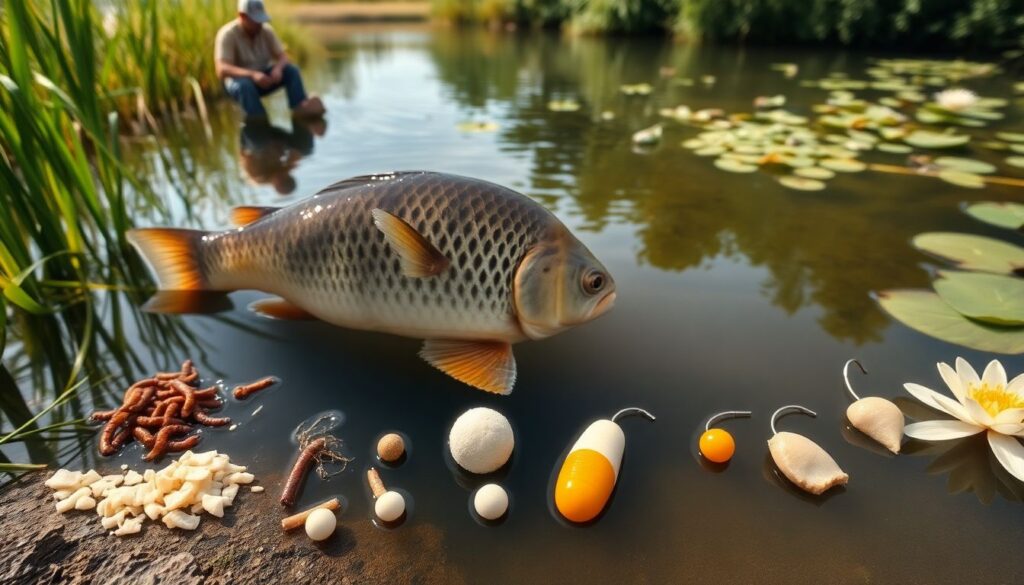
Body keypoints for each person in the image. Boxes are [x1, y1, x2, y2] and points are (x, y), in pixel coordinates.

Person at [215, 0, 325, 119]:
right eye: (255, 21)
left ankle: (300, 108)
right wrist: (253, 75)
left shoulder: (266, 31)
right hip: (239, 83)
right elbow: (221, 69)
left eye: (261, 20)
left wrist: (278, 68)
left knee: (291, 71)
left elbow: (283, 57)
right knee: (244, 86)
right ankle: (259, 120)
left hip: (264, 78)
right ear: (242, 16)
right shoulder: (227, 34)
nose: (259, 24)